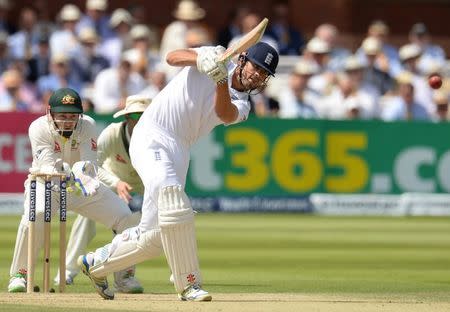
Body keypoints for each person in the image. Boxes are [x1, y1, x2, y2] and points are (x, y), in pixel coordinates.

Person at [78, 41, 279, 301]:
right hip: (152, 133)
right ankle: (189, 283)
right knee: (174, 199)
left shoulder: (243, 105)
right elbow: (172, 57)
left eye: (264, 73)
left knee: (157, 235)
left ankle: (95, 263)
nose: (258, 75)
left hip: (180, 149)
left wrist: (219, 80)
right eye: (257, 67)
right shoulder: (216, 55)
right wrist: (200, 59)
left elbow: (224, 113)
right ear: (242, 59)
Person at [7, 87, 141, 293]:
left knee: (125, 218)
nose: (68, 121)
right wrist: (67, 172)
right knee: (36, 215)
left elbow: (88, 163)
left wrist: (83, 178)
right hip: (46, 186)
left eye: (72, 116)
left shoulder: (87, 125)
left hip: (80, 186)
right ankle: (20, 274)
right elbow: (47, 166)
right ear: (50, 112)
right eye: (62, 116)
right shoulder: (38, 127)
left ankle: (124, 278)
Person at [54, 95, 150, 292]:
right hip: (111, 181)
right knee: (86, 217)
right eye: (134, 116)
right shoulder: (112, 133)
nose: (138, 121)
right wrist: (117, 182)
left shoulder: (158, 136)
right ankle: (67, 271)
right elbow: (94, 165)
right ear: (126, 118)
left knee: (139, 222)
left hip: (144, 186)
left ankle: (125, 278)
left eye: (143, 116)